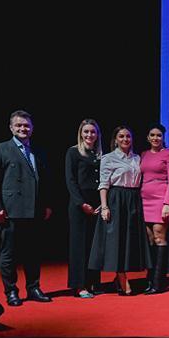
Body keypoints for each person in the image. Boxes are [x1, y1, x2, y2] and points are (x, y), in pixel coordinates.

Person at [0, 110, 53, 306]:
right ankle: (11, 291)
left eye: (26, 125)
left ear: (32, 128)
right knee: (9, 253)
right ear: (11, 127)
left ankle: (33, 288)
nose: (23, 128)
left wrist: (47, 204)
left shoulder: (38, 151)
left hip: (34, 210)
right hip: (10, 211)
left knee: (33, 252)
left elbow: (44, 181)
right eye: (19, 125)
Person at [88, 126, 151, 296]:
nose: (125, 139)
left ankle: (120, 276)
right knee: (117, 240)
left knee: (128, 240)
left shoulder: (137, 158)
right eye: (121, 136)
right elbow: (103, 184)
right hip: (116, 199)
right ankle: (121, 276)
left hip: (134, 200)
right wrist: (105, 206)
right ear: (115, 139)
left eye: (128, 136)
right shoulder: (108, 158)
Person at [64, 119, 102, 298]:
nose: (89, 135)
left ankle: (93, 282)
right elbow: (70, 180)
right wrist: (81, 203)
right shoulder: (73, 152)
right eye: (86, 131)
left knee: (94, 245)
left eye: (93, 132)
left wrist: (102, 203)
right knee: (79, 246)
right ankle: (79, 285)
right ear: (81, 133)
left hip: (97, 204)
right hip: (79, 204)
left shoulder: (100, 154)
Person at [139, 123, 169, 294]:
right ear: (148, 138)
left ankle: (158, 283)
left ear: (163, 137)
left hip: (160, 201)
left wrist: (167, 204)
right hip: (144, 201)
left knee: (159, 237)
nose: (156, 138)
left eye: (159, 135)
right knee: (149, 240)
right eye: (152, 135)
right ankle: (149, 279)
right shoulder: (143, 154)